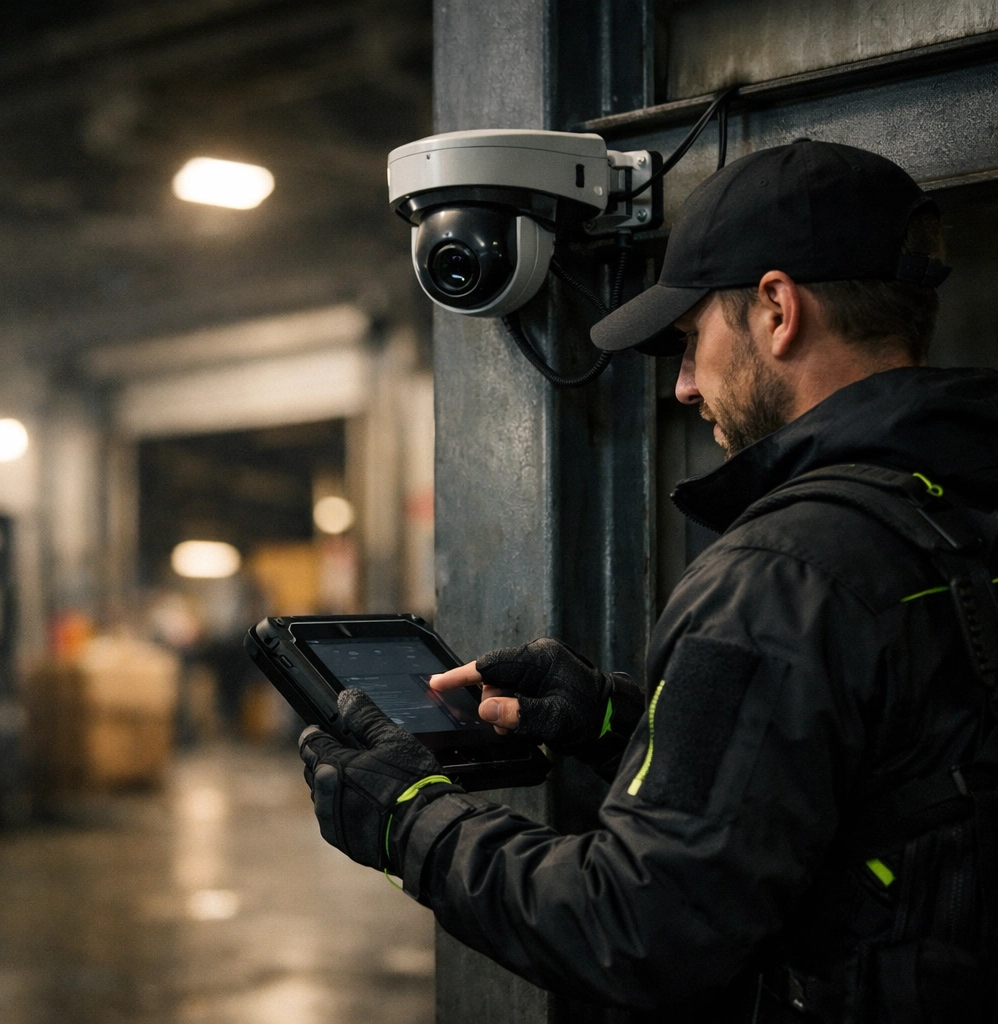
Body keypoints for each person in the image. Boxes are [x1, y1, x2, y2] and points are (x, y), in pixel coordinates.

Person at [298, 141, 998, 1021]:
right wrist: (614, 721)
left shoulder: (781, 572)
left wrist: (410, 823)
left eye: (691, 339)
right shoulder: (961, 508)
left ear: (777, 310)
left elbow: (636, 927)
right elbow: (896, 786)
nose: (684, 386)